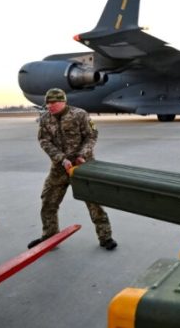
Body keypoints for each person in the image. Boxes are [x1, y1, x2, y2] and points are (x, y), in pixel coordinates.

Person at [27, 88, 117, 250]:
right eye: (48, 102)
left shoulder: (79, 114)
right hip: (59, 168)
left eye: (54, 102)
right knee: (48, 201)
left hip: (83, 166)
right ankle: (50, 236)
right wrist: (61, 159)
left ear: (63, 102)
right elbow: (44, 141)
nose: (50, 106)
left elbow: (91, 135)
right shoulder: (46, 119)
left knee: (94, 203)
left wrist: (82, 155)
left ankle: (105, 237)